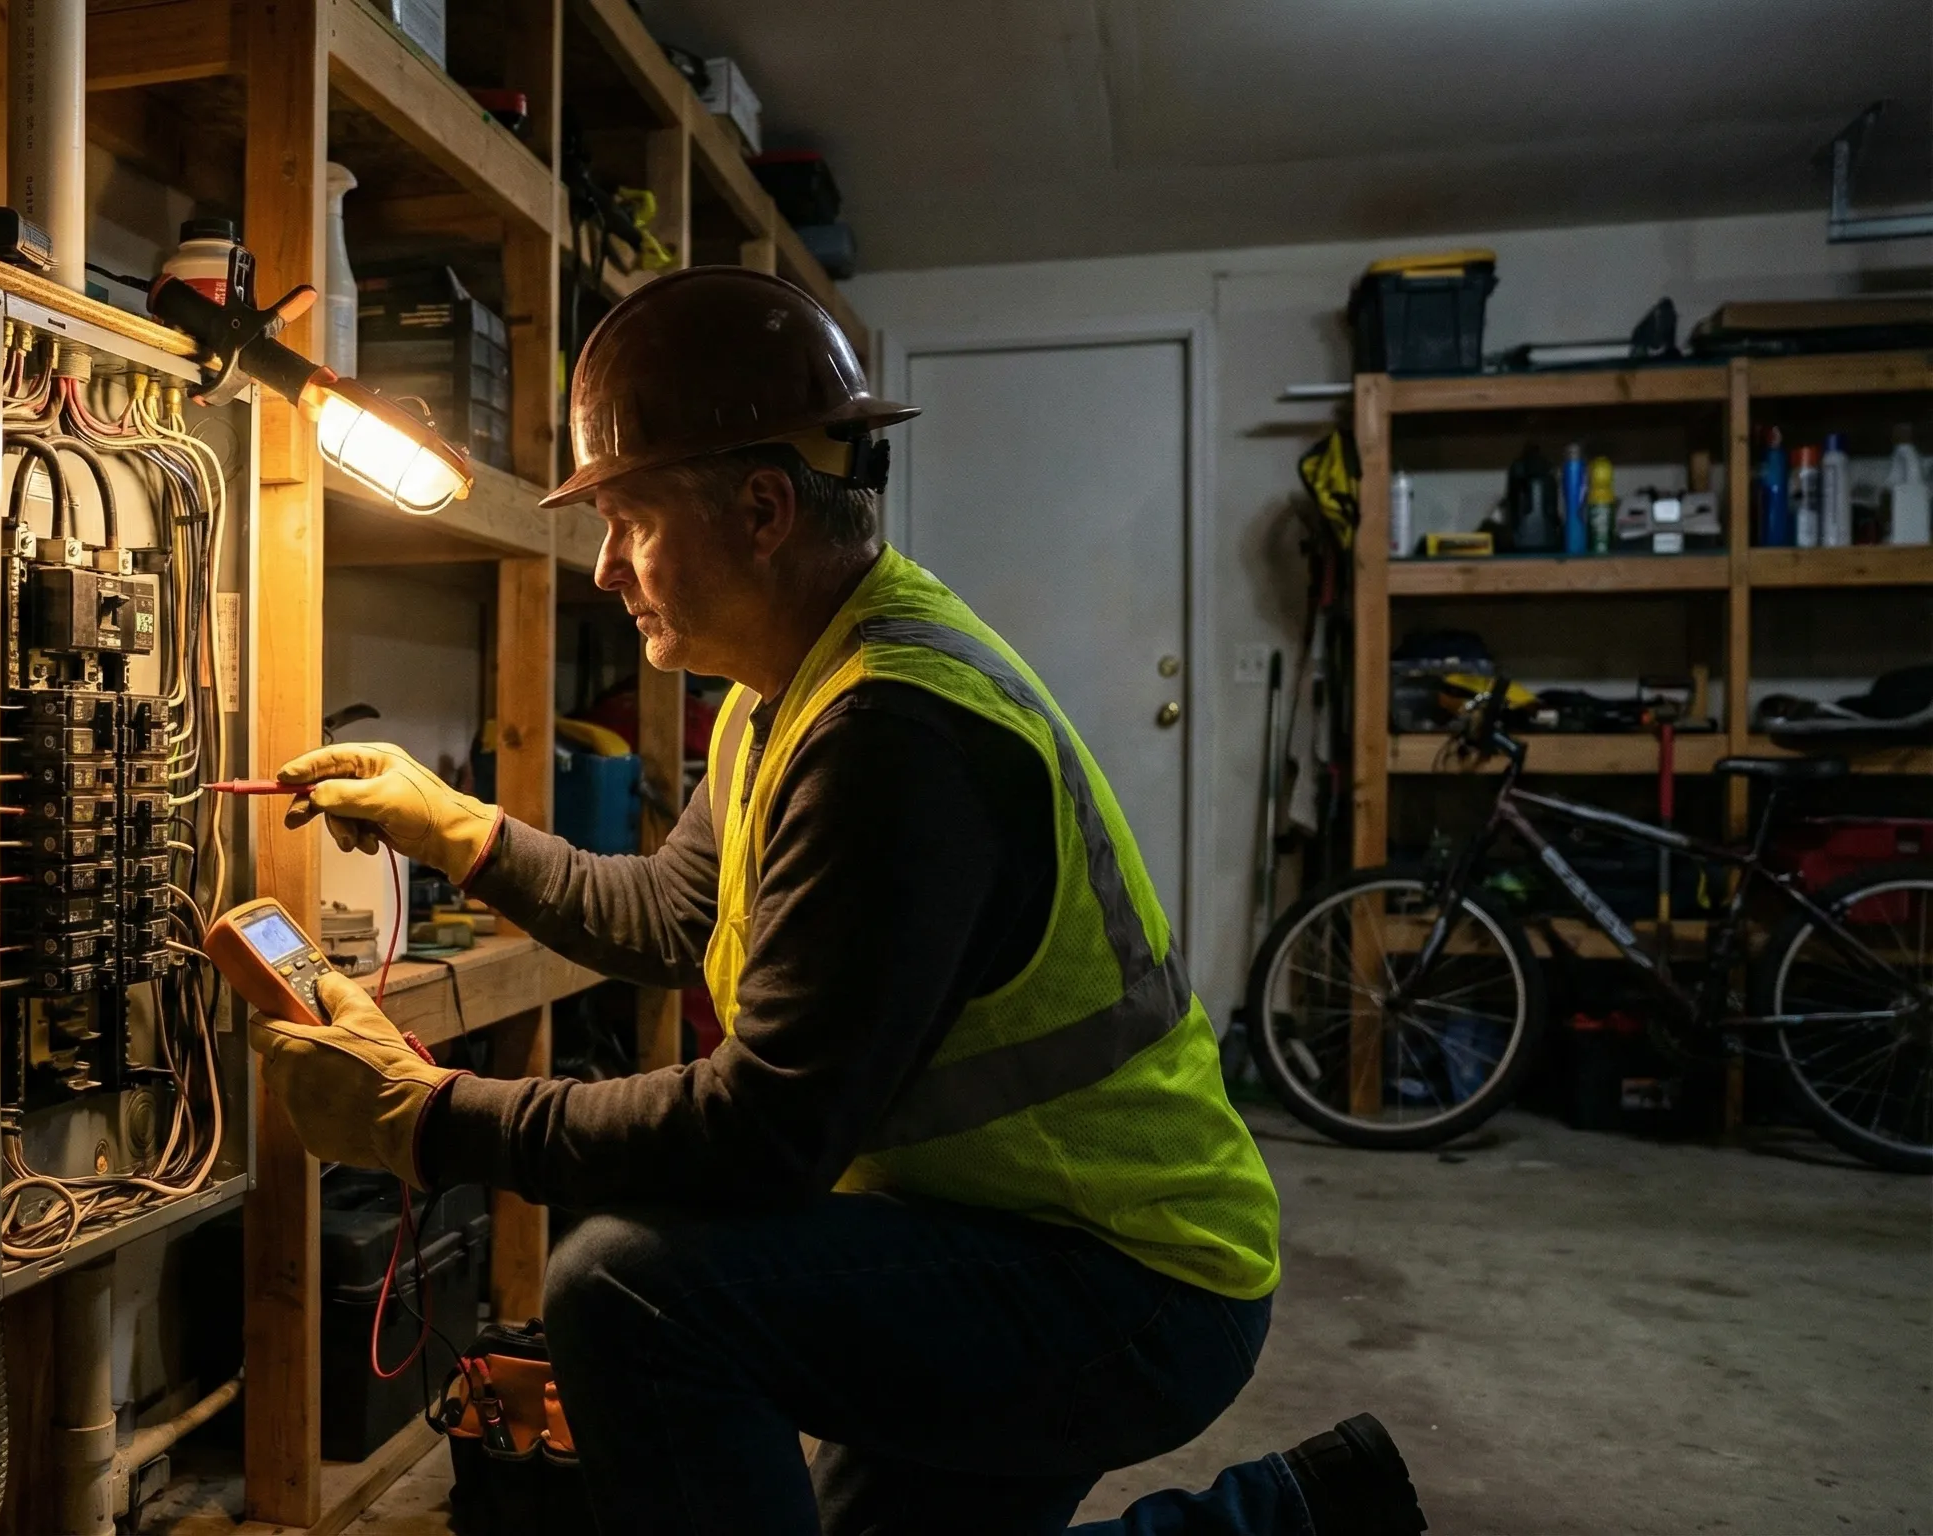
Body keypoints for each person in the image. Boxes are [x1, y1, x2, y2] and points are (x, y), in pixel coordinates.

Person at [249, 267, 1426, 1536]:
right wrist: (463, 831)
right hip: (1009, 1232)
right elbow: (669, 917)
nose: (603, 570)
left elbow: (762, 1140)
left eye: (628, 521)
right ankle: (1310, 1515)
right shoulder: (788, 690)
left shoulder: (892, 734)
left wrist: (433, 1120)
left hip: (1127, 1280)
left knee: (629, 1293)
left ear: (760, 508)